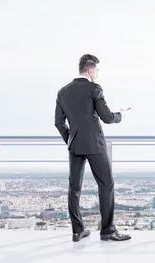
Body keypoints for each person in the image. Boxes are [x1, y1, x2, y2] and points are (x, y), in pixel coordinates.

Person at [54, 54, 132, 242]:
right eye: (96, 70)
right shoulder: (94, 88)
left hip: (75, 145)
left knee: (74, 188)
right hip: (95, 144)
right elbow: (106, 117)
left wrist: (71, 139)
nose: (97, 73)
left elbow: (59, 122)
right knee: (106, 184)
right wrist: (120, 114)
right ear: (90, 70)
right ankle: (107, 231)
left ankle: (77, 231)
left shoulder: (63, 91)